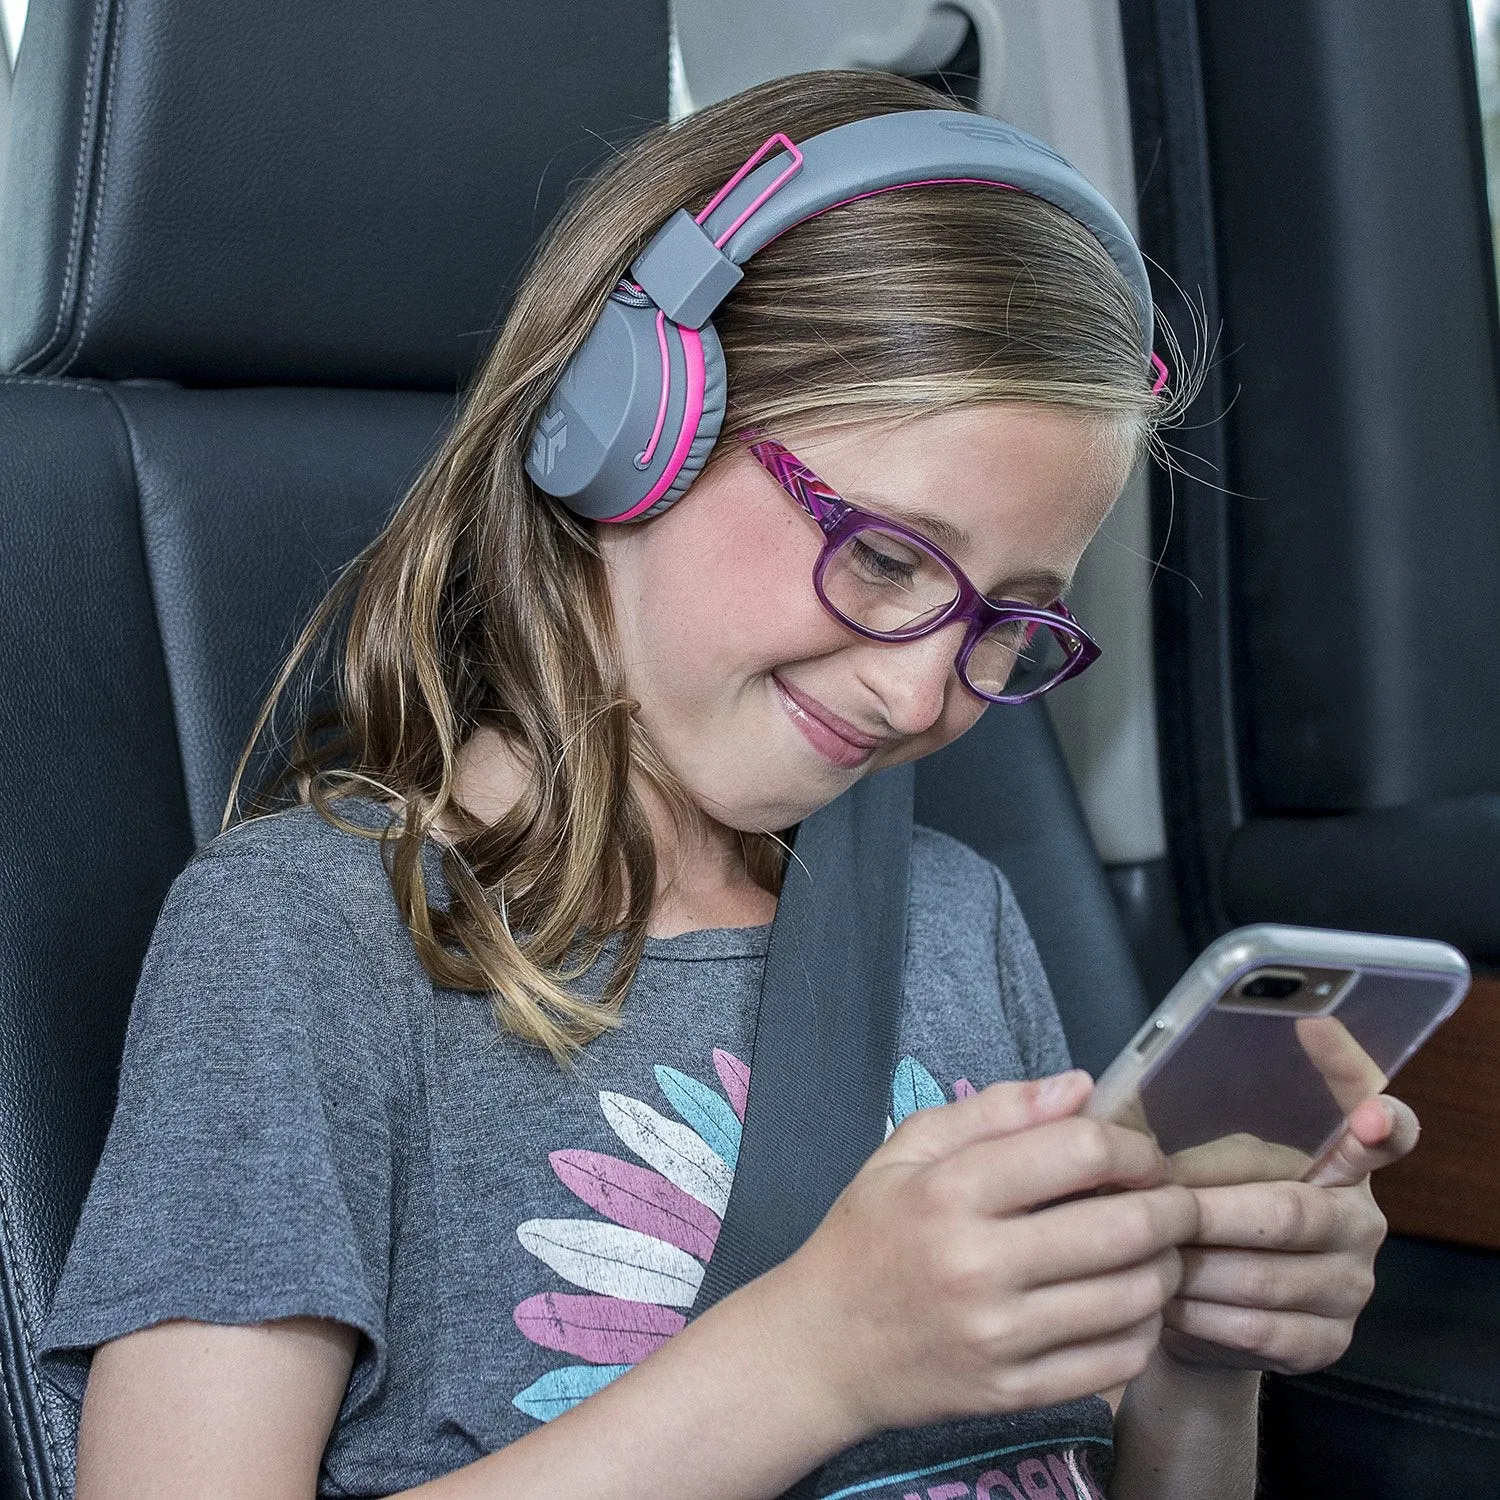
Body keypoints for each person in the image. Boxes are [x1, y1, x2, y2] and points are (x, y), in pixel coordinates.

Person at [38, 70, 1413, 1500]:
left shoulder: (960, 922)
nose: (921, 696)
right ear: (634, 427)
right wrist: (812, 1364)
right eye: (884, 557)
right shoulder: (312, 939)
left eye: (1011, 622)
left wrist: (1198, 1359)